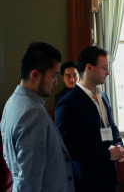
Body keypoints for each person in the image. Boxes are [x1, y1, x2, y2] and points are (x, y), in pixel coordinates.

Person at [0, 42, 75, 192]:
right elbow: (29, 180)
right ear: (35, 75)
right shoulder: (33, 112)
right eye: (53, 76)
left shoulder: (11, 102)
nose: (55, 82)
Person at [55, 46, 124, 192]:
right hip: (87, 181)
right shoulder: (67, 103)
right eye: (104, 68)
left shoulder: (104, 96)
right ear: (89, 67)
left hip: (110, 176)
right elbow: (70, 148)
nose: (108, 72)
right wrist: (107, 154)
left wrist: (120, 146)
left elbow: (111, 126)